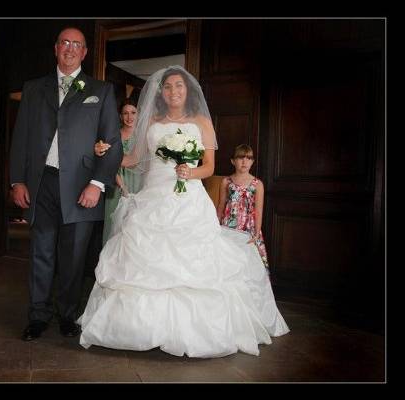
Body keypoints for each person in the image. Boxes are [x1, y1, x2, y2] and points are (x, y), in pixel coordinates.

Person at [77, 65, 289, 358]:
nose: (173, 91)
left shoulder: (201, 121)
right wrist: (106, 152)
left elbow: (210, 167)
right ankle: (138, 329)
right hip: (153, 196)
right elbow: (134, 158)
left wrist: (190, 173)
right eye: (167, 87)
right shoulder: (149, 121)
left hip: (188, 199)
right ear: (160, 93)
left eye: (179, 86)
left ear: (187, 90)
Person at [9, 27, 123, 341]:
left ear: (85, 52)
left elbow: (112, 143)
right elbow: (21, 138)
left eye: (77, 44)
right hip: (42, 182)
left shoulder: (100, 90)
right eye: (65, 43)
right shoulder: (34, 89)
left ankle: (68, 316)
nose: (70, 49)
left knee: (73, 257)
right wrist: (18, 179)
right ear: (56, 48)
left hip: (81, 186)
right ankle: (37, 316)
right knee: (41, 252)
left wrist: (97, 183)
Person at [94, 98, 141, 244]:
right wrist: (121, 185)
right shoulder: (113, 135)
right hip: (115, 184)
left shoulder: (143, 135)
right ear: (120, 116)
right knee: (114, 225)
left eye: (133, 112)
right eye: (125, 113)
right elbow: (108, 162)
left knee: (135, 226)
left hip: (139, 184)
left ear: (139, 114)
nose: (129, 117)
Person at [217, 144, 269, 269]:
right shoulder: (226, 181)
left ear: (252, 162)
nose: (244, 161)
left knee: (247, 263)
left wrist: (256, 233)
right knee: (229, 260)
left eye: (249, 158)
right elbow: (220, 206)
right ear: (233, 161)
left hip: (248, 228)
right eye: (240, 158)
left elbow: (259, 210)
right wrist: (216, 226)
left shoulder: (257, 184)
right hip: (228, 226)